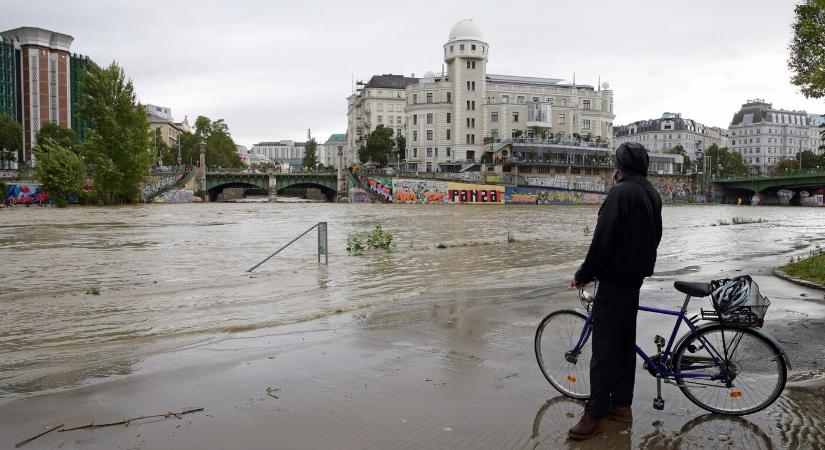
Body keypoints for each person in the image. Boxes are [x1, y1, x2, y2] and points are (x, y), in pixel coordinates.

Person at [567, 142, 663, 440]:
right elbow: (656, 236)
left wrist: (584, 274)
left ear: (619, 166)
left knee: (604, 351)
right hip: (634, 278)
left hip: (615, 280)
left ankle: (594, 414)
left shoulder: (621, 193)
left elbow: (603, 241)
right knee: (623, 345)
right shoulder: (651, 192)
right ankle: (621, 405)